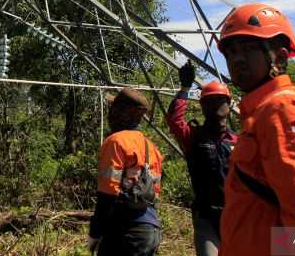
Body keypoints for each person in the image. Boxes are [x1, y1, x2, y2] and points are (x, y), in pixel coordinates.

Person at [217, 3, 295, 256]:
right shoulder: (261, 112)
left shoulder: (284, 110)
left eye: (249, 48)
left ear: (280, 58)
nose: (237, 58)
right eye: (230, 51)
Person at [167, 62, 237, 256]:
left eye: (220, 101)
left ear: (229, 104)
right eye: (209, 102)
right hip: (207, 216)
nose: (215, 105)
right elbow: (174, 120)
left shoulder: (239, 140)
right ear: (202, 106)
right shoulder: (194, 136)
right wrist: (185, 88)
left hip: (237, 216)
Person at [89, 88, 163, 255]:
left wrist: (95, 232)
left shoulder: (116, 141)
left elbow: (107, 194)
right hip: (150, 229)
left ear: (122, 112)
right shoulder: (152, 148)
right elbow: (155, 194)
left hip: (126, 230)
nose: (110, 114)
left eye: (113, 108)